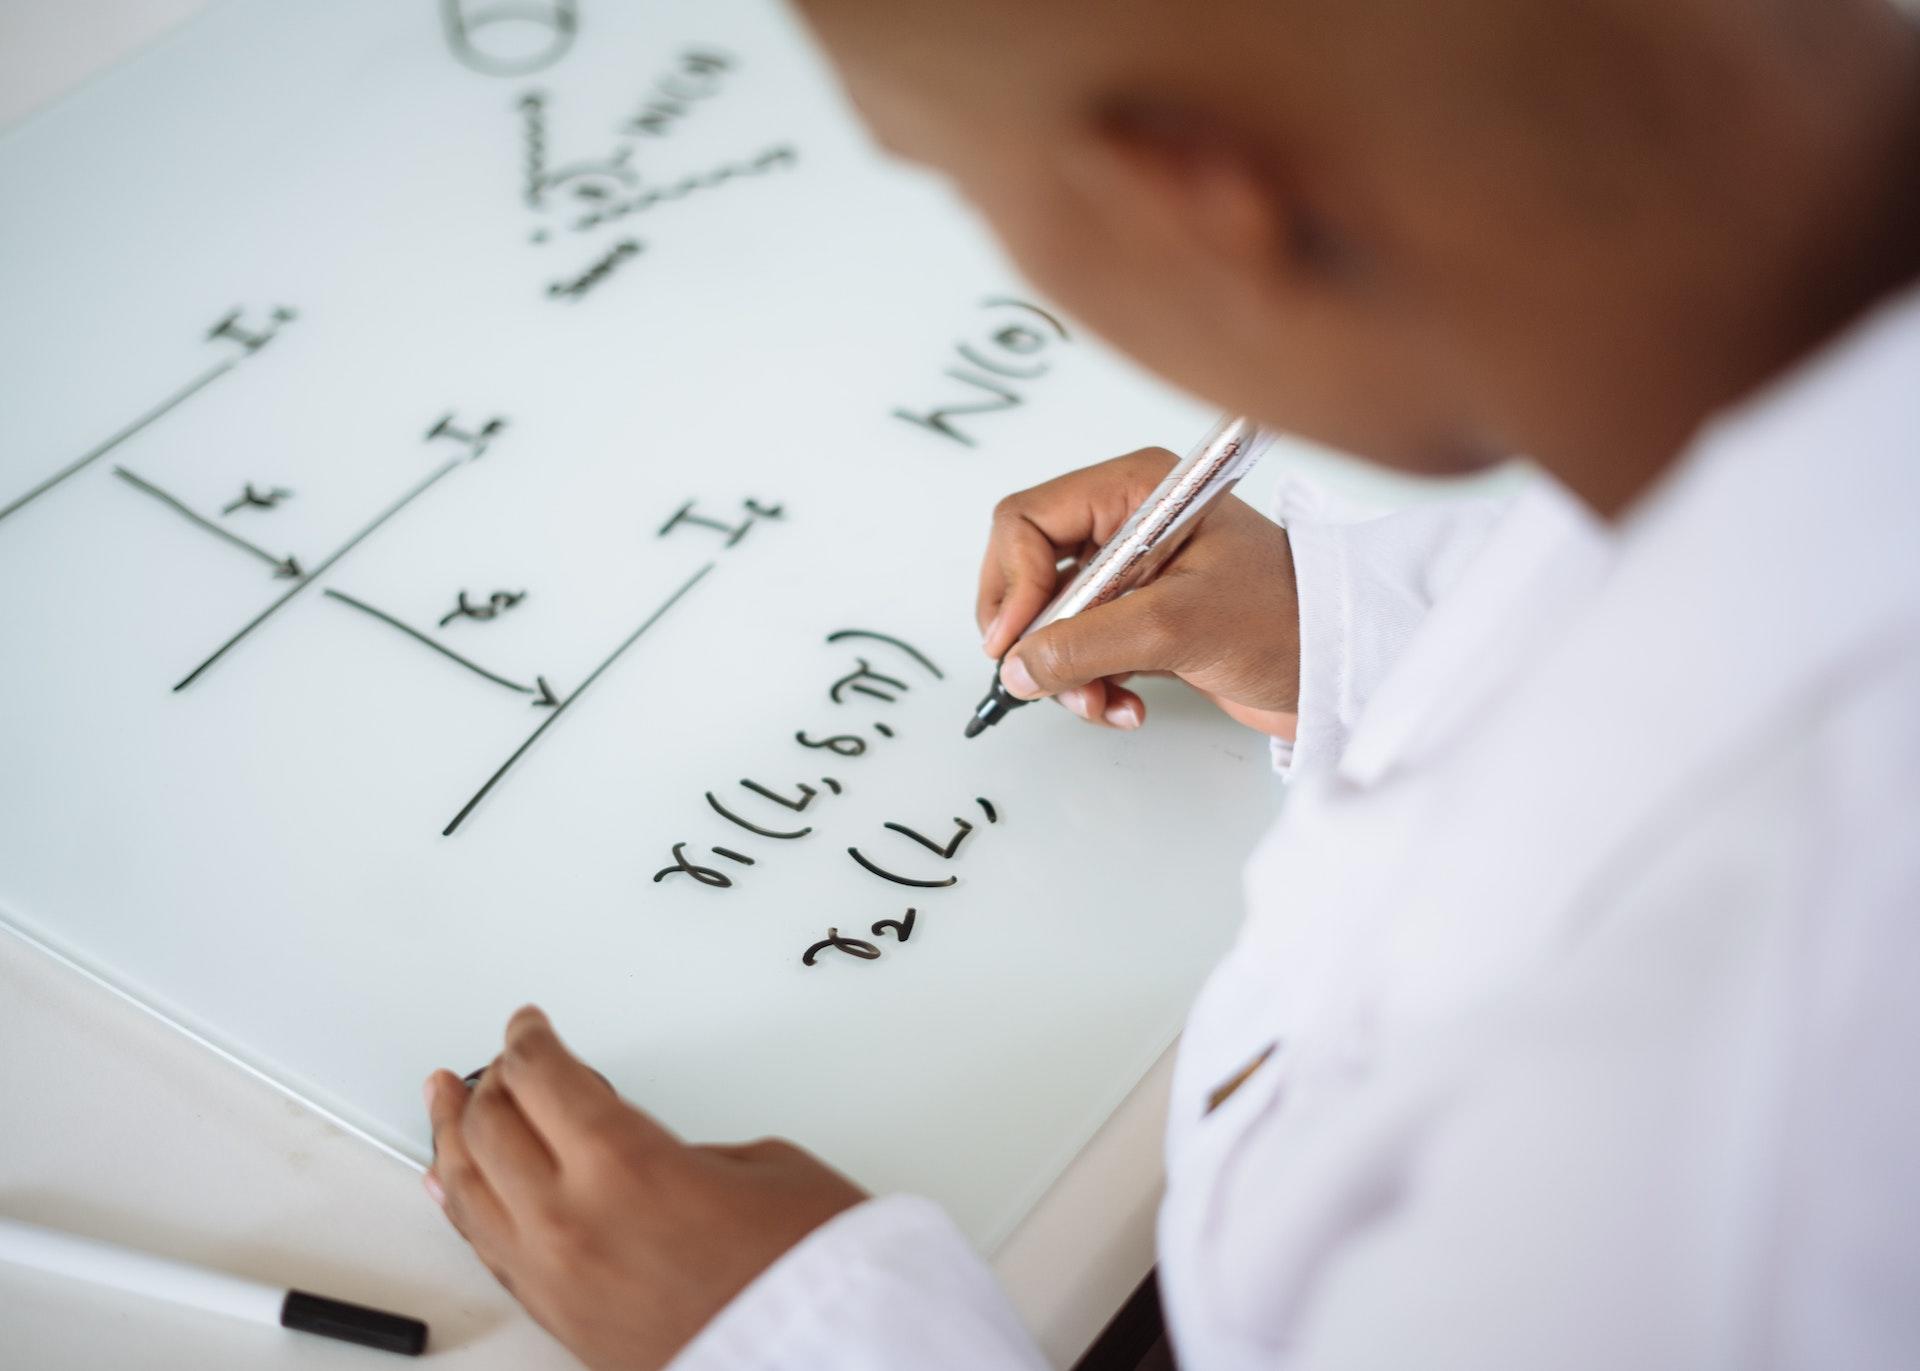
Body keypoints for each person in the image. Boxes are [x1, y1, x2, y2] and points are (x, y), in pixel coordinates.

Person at [418, 0, 1920, 1365]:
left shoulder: (1731, 1135)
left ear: (1204, 199)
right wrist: (1354, 626)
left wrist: (796, 1331)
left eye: (949, 180)